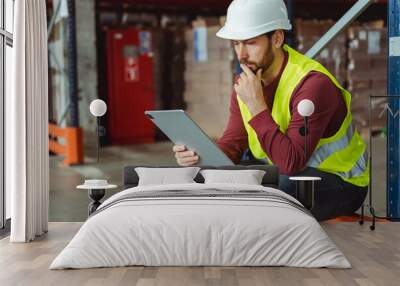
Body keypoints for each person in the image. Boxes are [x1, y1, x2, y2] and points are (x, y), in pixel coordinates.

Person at [173, 0, 368, 221]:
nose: (242, 55)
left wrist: (257, 106)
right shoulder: (246, 82)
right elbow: (233, 144)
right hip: (281, 172)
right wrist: (201, 157)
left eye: (251, 43)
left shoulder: (312, 84)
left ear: (277, 38)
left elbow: (291, 163)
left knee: (278, 188)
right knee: (203, 178)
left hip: (341, 181)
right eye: (236, 44)